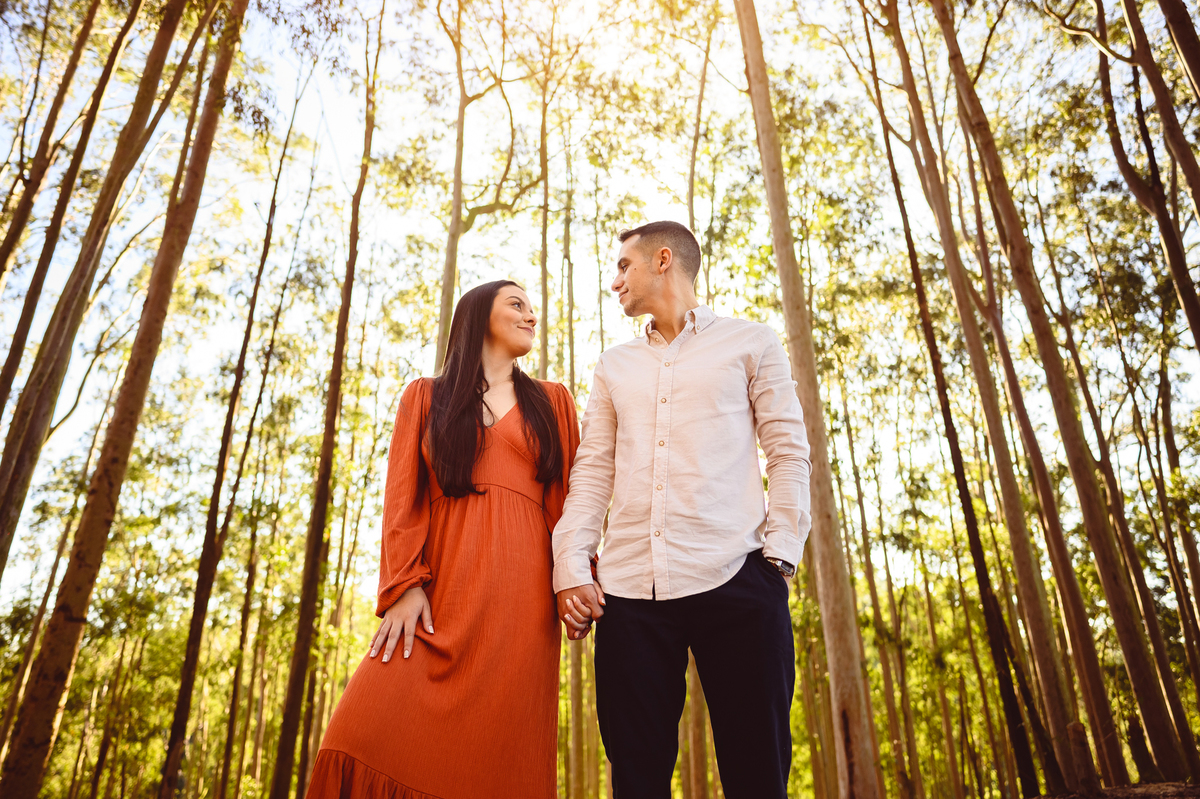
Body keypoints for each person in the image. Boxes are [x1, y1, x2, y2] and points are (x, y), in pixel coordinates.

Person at [553, 221, 811, 799]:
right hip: (628, 597)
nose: (615, 279)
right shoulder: (613, 367)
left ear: (662, 260)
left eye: (624, 265)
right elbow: (593, 471)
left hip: (740, 580)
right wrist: (571, 564)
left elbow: (789, 450)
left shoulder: (751, 341)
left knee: (757, 776)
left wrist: (780, 558)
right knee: (636, 781)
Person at [308, 280, 581, 799]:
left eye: (532, 309)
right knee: (357, 732)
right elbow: (401, 500)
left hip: (520, 608)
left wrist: (575, 580)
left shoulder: (554, 402)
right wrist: (405, 585)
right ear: (479, 316)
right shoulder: (425, 397)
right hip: (438, 596)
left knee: (499, 757)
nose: (531, 316)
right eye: (516, 305)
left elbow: (571, 508)